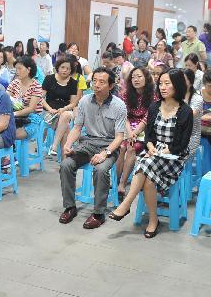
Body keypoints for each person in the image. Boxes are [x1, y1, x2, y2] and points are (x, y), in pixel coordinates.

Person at [109, 69, 194, 237]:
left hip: (174, 157)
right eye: (160, 83)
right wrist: (150, 146)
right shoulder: (155, 107)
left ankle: (126, 204)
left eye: (167, 83)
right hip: (154, 154)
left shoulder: (185, 111)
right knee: (148, 180)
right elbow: (149, 135)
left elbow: (182, 144)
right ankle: (153, 220)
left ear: (177, 85)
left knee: (145, 165)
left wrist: (162, 151)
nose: (162, 87)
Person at [58, 67, 126, 229]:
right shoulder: (84, 101)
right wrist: (68, 144)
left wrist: (105, 153)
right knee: (66, 165)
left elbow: (119, 137)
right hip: (88, 143)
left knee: (101, 170)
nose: (96, 85)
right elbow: (77, 128)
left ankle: (98, 213)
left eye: (102, 82)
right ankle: (70, 207)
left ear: (111, 86)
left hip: (109, 145)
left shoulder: (119, 105)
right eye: (94, 81)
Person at [116, 67, 154, 199]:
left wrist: (135, 133)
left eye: (139, 76)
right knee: (121, 147)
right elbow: (124, 116)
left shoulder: (153, 95)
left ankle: (122, 183)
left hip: (145, 129)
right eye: (133, 77)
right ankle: (116, 179)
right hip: (128, 127)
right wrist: (130, 132)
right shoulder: (125, 94)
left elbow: (147, 118)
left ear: (146, 78)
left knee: (131, 148)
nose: (136, 80)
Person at [42, 55, 80, 157]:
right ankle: (64, 161)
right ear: (58, 67)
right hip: (49, 111)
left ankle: (54, 147)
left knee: (66, 115)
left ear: (71, 70)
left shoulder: (73, 82)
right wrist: (50, 109)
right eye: (63, 67)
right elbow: (40, 98)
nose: (65, 70)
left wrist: (63, 109)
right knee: (66, 128)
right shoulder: (49, 79)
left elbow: (73, 103)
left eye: (68, 68)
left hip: (65, 110)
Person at [7, 56, 44, 141]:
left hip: (31, 118)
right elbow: (5, 98)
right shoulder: (15, 83)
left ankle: (14, 153)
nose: (17, 72)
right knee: (0, 131)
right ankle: (11, 153)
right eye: (16, 69)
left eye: (19, 69)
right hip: (14, 117)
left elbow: (31, 109)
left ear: (28, 69)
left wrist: (14, 114)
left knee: (10, 135)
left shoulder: (36, 86)